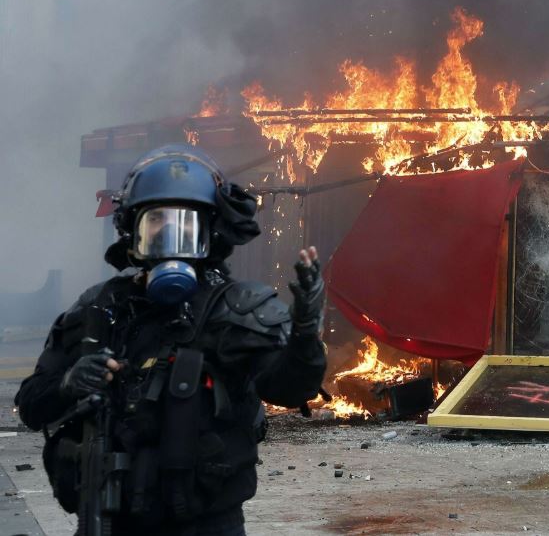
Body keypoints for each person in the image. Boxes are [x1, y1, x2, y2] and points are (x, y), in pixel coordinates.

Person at [15, 144, 327, 535]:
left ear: (210, 235)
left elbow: (290, 387)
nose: (170, 241)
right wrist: (68, 383)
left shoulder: (237, 309)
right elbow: (31, 405)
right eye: (156, 226)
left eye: (186, 228)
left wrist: (304, 332)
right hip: (111, 522)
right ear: (132, 234)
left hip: (206, 525)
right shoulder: (99, 310)